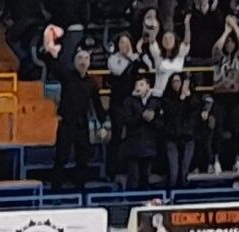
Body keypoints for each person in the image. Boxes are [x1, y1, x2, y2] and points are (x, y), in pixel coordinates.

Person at [43, 43, 109, 191]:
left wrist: (103, 123)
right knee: (61, 157)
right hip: (66, 123)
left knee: (83, 158)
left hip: (82, 124)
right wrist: (49, 51)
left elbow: (97, 105)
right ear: (74, 61)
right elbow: (53, 65)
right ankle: (55, 190)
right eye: (80, 58)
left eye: (86, 58)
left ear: (89, 63)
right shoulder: (67, 76)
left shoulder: (91, 83)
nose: (83, 61)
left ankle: (81, 189)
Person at [212, 15, 239, 173]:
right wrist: (226, 32)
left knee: (237, 130)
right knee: (218, 129)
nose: (229, 44)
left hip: (236, 97)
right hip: (220, 96)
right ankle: (216, 159)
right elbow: (216, 48)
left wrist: (235, 26)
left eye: (231, 42)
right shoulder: (220, 58)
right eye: (228, 42)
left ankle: (237, 159)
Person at [107, 33, 144, 177]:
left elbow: (144, 69)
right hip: (117, 101)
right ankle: (113, 169)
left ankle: (129, 168)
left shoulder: (135, 58)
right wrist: (130, 59)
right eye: (122, 42)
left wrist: (136, 56)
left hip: (132, 101)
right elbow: (118, 71)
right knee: (117, 135)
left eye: (127, 42)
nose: (125, 45)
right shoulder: (113, 59)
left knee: (132, 134)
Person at [122, 75, 162, 191]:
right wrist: (141, 116)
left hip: (149, 145)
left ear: (148, 86)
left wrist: (153, 119)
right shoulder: (129, 101)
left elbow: (161, 123)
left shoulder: (155, 101)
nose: (138, 87)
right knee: (133, 178)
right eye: (137, 85)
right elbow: (127, 120)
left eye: (141, 84)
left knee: (145, 177)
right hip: (133, 146)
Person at [162, 73, 199, 190]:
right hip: (172, 137)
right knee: (173, 172)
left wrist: (188, 97)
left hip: (187, 137)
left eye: (178, 81)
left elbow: (195, 113)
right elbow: (173, 114)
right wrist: (181, 99)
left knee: (184, 171)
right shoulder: (167, 98)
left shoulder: (193, 98)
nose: (176, 84)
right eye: (174, 81)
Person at [149, 19, 191, 97]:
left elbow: (186, 42)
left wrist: (187, 24)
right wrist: (154, 29)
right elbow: (152, 42)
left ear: (175, 40)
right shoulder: (158, 56)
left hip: (176, 95)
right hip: (159, 94)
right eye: (165, 38)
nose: (168, 41)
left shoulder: (180, 55)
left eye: (170, 38)